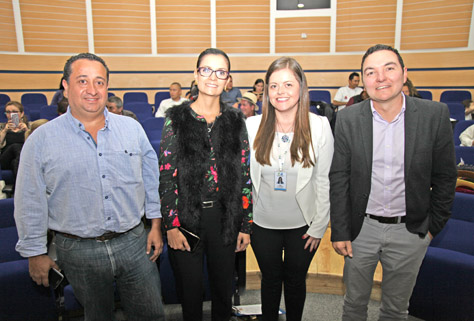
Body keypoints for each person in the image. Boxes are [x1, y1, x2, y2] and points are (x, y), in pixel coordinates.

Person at [14, 53, 165, 321]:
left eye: (100, 82)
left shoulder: (131, 129)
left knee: (151, 314)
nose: (92, 90)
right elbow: (29, 200)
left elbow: (152, 180)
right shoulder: (41, 140)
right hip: (78, 250)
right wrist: (35, 253)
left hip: (134, 243)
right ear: (65, 85)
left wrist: (155, 225)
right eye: (82, 81)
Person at [329, 44, 457, 321]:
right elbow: (339, 177)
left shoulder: (434, 115)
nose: (381, 78)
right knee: (353, 305)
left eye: (389, 68)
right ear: (363, 81)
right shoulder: (349, 118)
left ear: (404, 73)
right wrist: (340, 230)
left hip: (410, 231)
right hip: (361, 230)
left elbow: (446, 178)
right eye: (371, 72)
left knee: (396, 310)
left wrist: (432, 228)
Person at [159, 48, 252, 321]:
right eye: (206, 70)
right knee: (191, 293)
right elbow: (166, 176)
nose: (213, 77)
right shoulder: (176, 119)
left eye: (220, 72)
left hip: (225, 219)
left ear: (228, 80)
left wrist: (245, 224)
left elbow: (244, 176)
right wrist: (171, 225)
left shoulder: (236, 121)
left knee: (224, 292)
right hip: (186, 219)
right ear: (196, 75)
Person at [246, 57, 334, 321]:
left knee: (296, 282)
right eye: (273, 86)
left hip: (303, 226)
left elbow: (323, 179)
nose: (280, 92)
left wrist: (319, 226)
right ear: (266, 91)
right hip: (262, 224)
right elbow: (243, 181)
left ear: (301, 88)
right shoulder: (251, 126)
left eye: (287, 84)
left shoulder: (319, 126)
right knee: (270, 281)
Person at [0, 101, 30, 179]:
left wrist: (27, 130)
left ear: (22, 113)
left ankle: (16, 189)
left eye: (14, 112)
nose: (11, 115)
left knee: (15, 163)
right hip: (4, 159)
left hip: (21, 160)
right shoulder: (1, 126)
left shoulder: (29, 126)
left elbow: (36, 144)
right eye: (8, 112)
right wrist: (4, 131)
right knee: (15, 147)